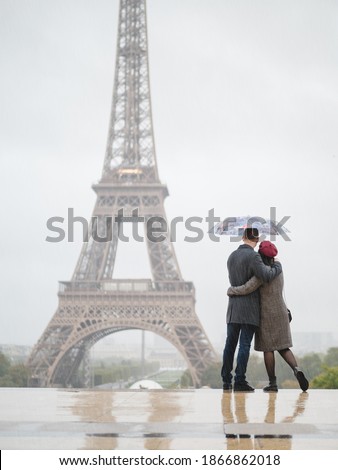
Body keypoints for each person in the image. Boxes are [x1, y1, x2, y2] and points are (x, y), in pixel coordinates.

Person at [227, 240, 309, 392]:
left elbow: (247, 288)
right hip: (281, 311)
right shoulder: (278, 269)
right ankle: (296, 369)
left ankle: (273, 383)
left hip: (266, 314)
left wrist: (231, 290)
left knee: (268, 349)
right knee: (284, 347)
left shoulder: (261, 275)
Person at [222, 228, 283, 392]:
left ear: (243, 237)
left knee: (230, 344)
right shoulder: (254, 256)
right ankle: (240, 380)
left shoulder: (231, 256)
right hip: (249, 308)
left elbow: (233, 280)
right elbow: (266, 275)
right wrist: (277, 266)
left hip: (233, 307)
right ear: (256, 239)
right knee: (244, 346)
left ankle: (226, 380)